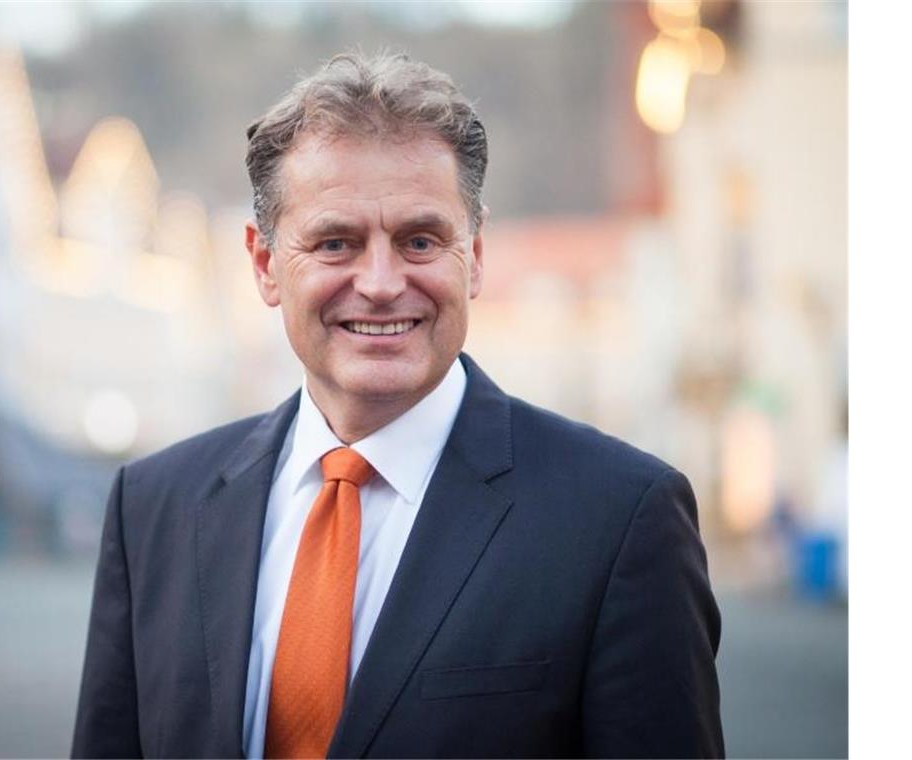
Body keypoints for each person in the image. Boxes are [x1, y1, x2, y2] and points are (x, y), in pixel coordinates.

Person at [72, 52, 724, 759]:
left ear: (473, 256)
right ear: (264, 265)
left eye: (419, 240)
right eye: (335, 243)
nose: (381, 283)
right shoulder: (154, 508)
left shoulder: (620, 520)